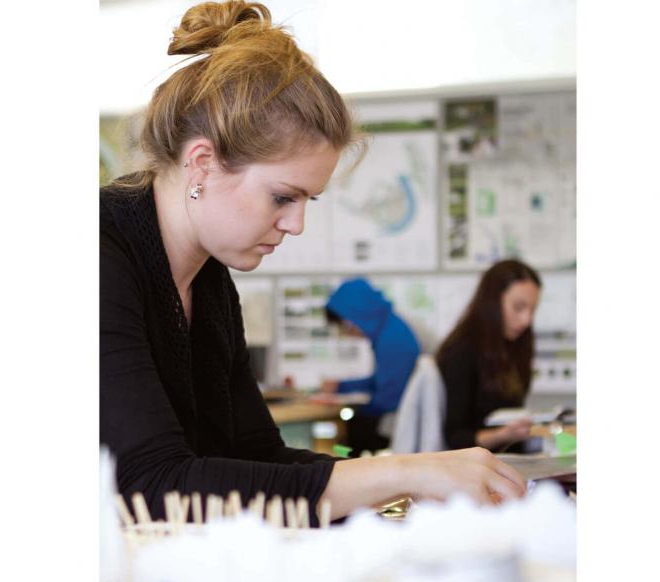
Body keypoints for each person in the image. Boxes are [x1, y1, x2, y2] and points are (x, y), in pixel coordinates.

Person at [101, 0, 526, 527]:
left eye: (308, 202)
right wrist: (406, 473)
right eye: (283, 197)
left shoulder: (209, 281)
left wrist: (413, 479)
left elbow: (258, 457)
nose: (296, 225)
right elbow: (153, 489)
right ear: (203, 164)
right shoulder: (99, 255)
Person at [436, 260, 542, 452]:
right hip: (475, 467)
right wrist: (505, 434)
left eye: (532, 310)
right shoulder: (461, 351)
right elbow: (455, 438)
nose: (526, 320)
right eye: (518, 307)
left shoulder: (516, 344)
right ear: (492, 302)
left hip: (511, 461)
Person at [320, 278, 421, 456]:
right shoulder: (390, 328)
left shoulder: (393, 339)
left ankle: (343, 467)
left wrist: (355, 407)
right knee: (353, 427)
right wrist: (341, 387)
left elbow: (388, 399)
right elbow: (382, 382)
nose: (347, 332)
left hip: (402, 420)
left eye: (346, 325)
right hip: (403, 414)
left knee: (350, 434)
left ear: (358, 315)